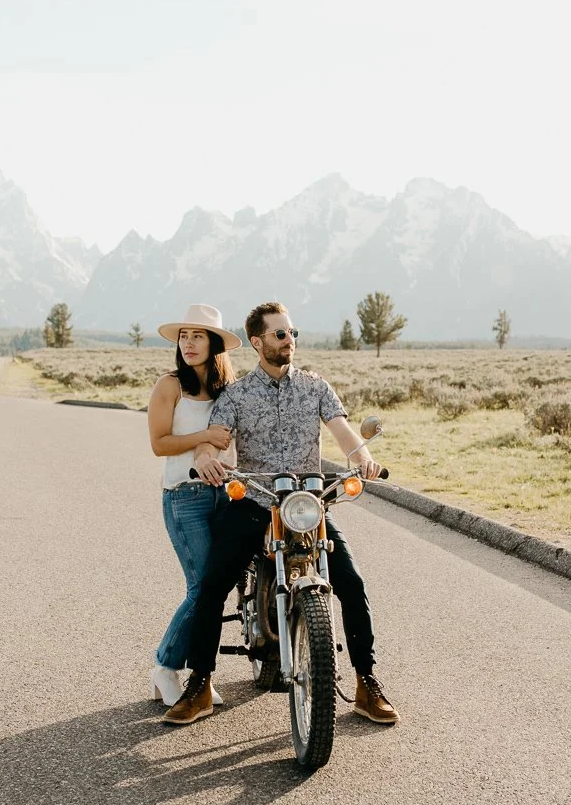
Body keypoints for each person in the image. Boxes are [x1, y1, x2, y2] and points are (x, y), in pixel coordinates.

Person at [163, 300, 399, 726]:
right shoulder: (236, 395)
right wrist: (206, 458)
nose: (289, 340)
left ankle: (366, 682)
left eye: (293, 333)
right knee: (212, 585)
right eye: (280, 334)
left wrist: (363, 458)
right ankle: (199, 684)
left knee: (352, 583)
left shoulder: (315, 387)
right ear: (257, 342)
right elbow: (212, 441)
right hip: (256, 502)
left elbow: (345, 434)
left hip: (308, 504)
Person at [146, 303, 240, 706]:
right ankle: (166, 667)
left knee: (218, 586)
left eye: (198, 336)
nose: (189, 344)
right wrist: (203, 436)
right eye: (184, 336)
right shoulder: (170, 386)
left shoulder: (228, 388)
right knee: (202, 586)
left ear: (215, 343)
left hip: (227, 494)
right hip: (184, 497)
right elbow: (159, 444)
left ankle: (201, 673)